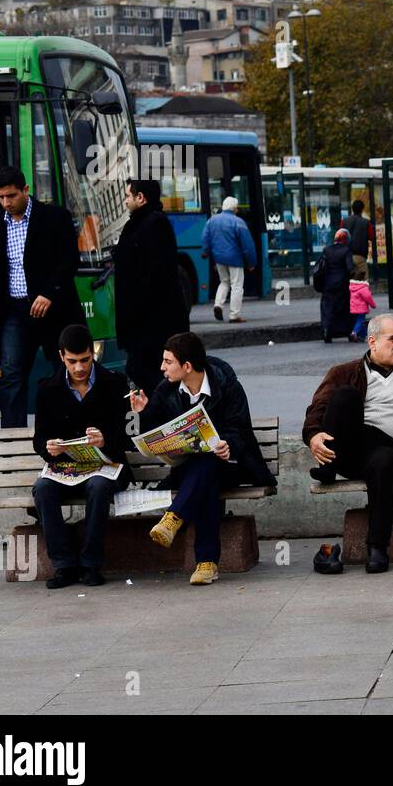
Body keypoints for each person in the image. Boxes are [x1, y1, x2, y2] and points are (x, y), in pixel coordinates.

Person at [129, 332, 275, 585]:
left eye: (168, 362)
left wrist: (229, 445)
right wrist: (143, 413)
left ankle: (175, 518)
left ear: (187, 366)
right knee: (204, 471)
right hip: (190, 470)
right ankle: (206, 564)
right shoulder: (167, 389)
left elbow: (240, 428)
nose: (162, 368)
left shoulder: (227, 385)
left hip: (231, 466)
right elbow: (154, 429)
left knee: (208, 463)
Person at [303, 313, 393, 574]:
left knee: (384, 459)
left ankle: (377, 548)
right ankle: (329, 467)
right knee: (344, 396)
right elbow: (318, 407)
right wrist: (314, 435)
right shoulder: (344, 372)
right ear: (373, 342)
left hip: (392, 452)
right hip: (351, 452)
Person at [31, 324, 134, 589]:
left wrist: (106, 439)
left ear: (93, 353)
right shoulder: (48, 389)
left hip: (107, 467)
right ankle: (64, 566)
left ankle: (90, 565)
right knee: (42, 489)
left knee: (98, 486)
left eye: (85, 360)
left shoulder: (115, 383)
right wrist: (49, 447)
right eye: (72, 361)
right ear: (61, 356)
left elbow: (129, 437)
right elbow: (39, 439)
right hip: (67, 467)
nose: (79, 368)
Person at [0, 165, 86, 428]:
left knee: (65, 372)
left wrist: (49, 294)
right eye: (1, 197)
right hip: (15, 311)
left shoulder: (55, 217)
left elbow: (70, 260)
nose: (6, 202)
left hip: (55, 310)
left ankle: (68, 432)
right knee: (11, 374)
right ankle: (12, 436)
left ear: (26, 190)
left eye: (11, 196)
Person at [113, 178, 190, 394]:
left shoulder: (156, 223)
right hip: (143, 320)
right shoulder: (137, 223)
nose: (125, 201)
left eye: (128, 196)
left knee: (141, 368)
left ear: (141, 197)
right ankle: (168, 406)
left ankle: (170, 404)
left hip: (154, 321)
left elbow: (157, 272)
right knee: (146, 368)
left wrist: (136, 305)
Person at [200, 195, 257, 324]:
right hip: (235, 259)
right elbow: (248, 245)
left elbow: (205, 237)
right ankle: (234, 315)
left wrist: (206, 251)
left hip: (219, 258)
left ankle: (218, 305)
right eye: (236, 208)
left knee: (224, 282)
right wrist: (251, 262)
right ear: (234, 209)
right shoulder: (238, 222)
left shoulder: (212, 220)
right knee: (237, 286)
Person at [316, 228, 355, 343]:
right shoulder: (346, 251)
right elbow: (350, 269)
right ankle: (345, 331)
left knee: (327, 308)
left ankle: (327, 330)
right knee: (343, 309)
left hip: (327, 285)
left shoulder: (326, 250)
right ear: (346, 239)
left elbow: (321, 266)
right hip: (342, 286)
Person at [343, 199, 372, 280]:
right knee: (363, 283)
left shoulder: (344, 221)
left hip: (347, 257)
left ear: (352, 209)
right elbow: (371, 236)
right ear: (362, 210)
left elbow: (340, 237)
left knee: (350, 282)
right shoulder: (366, 222)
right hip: (361, 257)